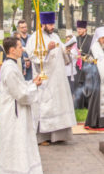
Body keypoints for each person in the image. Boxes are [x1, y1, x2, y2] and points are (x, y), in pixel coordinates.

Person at [0, 37, 44, 174]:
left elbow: (21, 86)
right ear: (11, 50)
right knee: (15, 145)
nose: (21, 49)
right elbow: (20, 94)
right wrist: (34, 86)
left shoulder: (12, 65)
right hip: (13, 115)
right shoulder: (9, 69)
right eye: (19, 47)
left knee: (17, 144)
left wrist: (31, 82)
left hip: (14, 112)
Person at [25, 12, 76, 144]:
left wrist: (67, 51)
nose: (52, 26)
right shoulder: (35, 38)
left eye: (53, 24)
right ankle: (43, 137)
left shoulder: (55, 36)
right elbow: (33, 56)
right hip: (45, 79)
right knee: (46, 106)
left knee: (59, 105)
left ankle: (59, 136)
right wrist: (47, 50)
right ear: (43, 24)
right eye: (50, 24)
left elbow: (63, 55)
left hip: (58, 78)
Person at [72, 20, 95, 109]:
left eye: (80, 29)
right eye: (78, 29)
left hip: (88, 64)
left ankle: (88, 104)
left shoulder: (90, 39)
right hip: (78, 65)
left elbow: (93, 51)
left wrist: (89, 58)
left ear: (85, 29)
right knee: (78, 83)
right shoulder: (76, 39)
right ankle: (79, 104)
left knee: (88, 84)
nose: (78, 31)